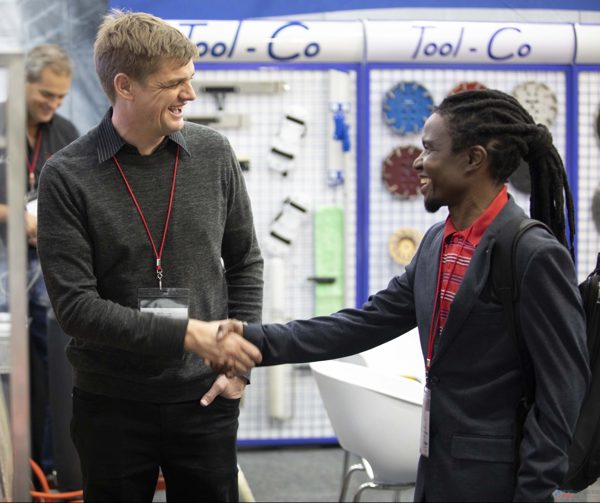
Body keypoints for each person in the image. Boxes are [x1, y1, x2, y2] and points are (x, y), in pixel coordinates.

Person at [214, 89, 591, 501]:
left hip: (501, 482)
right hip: (435, 470)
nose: (417, 161)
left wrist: (533, 493)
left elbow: (562, 391)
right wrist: (252, 339)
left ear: (473, 159)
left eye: (430, 148)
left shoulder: (532, 253)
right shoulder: (436, 244)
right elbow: (362, 324)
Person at [36, 10, 263, 502]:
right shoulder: (67, 175)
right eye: (173, 83)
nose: (190, 94)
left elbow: (245, 261)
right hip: (111, 404)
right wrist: (188, 333)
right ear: (125, 86)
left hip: (205, 398)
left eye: (190, 79)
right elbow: (76, 308)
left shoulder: (213, 154)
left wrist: (237, 367)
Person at [0, 43, 79, 475]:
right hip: (5, 264)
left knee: (56, 372)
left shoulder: (64, 132)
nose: (53, 104)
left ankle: (51, 470)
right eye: (46, 94)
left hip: (48, 266)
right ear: (23, 82)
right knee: (11, 371)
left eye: (61, 97)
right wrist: (15, 215)